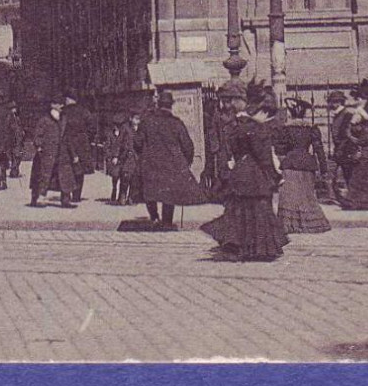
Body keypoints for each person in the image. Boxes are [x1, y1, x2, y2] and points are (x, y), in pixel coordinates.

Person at [202, 97, 290, 261]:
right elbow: (263, 157)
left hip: (240, 172)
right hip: (255, 174)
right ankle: (260, 249)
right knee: (259, 210)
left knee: (240, 211)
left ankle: (238, 246)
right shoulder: (257, 129)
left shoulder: (237, 127)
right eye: (267, 115)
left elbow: (231, 151)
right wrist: (274, 175)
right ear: (261, 112)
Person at [134, 90, 211, 229]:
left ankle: (154, 218)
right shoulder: (177, 124)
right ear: (171, 105)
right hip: (171, 165)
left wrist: (143, 156)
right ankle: (167, 222)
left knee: (151, 192)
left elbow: (137, 142)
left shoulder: (147, 122)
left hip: (150, 163)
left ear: (158, 104)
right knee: (168, 194)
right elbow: (188, 145)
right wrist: (186, 162)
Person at [276, 98, 332, 233]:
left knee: (290, 197)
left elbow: (280, 149)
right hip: (307, 164)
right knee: (306, 196)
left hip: (290, 164)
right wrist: (324, 169)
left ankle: (290, 225)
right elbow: (319, 150)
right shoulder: (311, 129)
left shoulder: (285, 129)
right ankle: (309, 224)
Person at [29, 97, 77, 209]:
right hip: (47, 154)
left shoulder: (64, 119)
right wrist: (40, 148)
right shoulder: (44, 120)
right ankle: (39, 198)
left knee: (66, 177)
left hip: (63, 154)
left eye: (62, 104)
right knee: (43, 177)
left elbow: (68, 138)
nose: (62, 106)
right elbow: (37, 136)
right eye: (59, 104)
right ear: (53, 105)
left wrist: (73, 154)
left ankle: (66, 200)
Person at [61, 91, 92, 203]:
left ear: (69, 99)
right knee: (80, 170)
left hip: (67, 142)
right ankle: (77, 196)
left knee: (67, 169)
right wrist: (86, 137)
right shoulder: (84, 111)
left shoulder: (64, 112)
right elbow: (92, 127)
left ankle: (66, 194)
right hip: (82, 143)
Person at [109, 113, 142, 206]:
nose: (137, 121)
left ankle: (131, 198)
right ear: (131, 119)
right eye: (135, 119)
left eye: (138, 119)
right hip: (126, 156)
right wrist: (115, 156)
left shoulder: (141, 129)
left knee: (134, 179)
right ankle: (122, 196)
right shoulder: (125, 128)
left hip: (136, 157)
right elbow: (118, 142)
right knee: (125, 177)